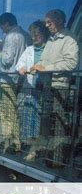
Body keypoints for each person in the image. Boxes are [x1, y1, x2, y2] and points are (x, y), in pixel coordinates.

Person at [30, 9, 79, 168]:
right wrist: (37, 67)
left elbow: (71, 63)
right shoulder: (51, 41)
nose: (46, 25)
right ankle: (46, 158)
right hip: (48, 87)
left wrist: (47, 68)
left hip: (60, 88)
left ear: (59, 21)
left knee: (58, 126)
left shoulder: (69, 40)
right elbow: (44, 61)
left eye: (49, 22)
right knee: (45, 125)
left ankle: (57, 162)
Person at [0, 12, 32, 153]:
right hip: (22, 78)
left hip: (8, 79)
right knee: (16, 110)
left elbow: (7, 60)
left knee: (7, 111)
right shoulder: (26, 35)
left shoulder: (10, 37)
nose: (2, 29)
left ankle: (12, 142)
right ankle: (17, 141)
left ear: (7, 23)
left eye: (2, 26)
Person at [15, 20, 50, 160]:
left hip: (46, 90)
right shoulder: (29, 50)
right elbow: (19, 64)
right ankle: (32, 149)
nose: (34, 37)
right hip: (32, 89)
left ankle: (41, 149)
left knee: (44, 121)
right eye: (32, 34)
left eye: (37, 34)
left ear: (43, 34)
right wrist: (21, 69)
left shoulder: (49, 49)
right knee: (31, 119)